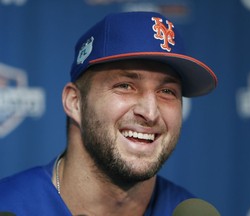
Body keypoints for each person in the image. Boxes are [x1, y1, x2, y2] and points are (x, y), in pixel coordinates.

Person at [0, 11, 217, 215]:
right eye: (125, 86)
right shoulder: (10, 204)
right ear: (75, 102)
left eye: (167, 91)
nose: (150, 113)